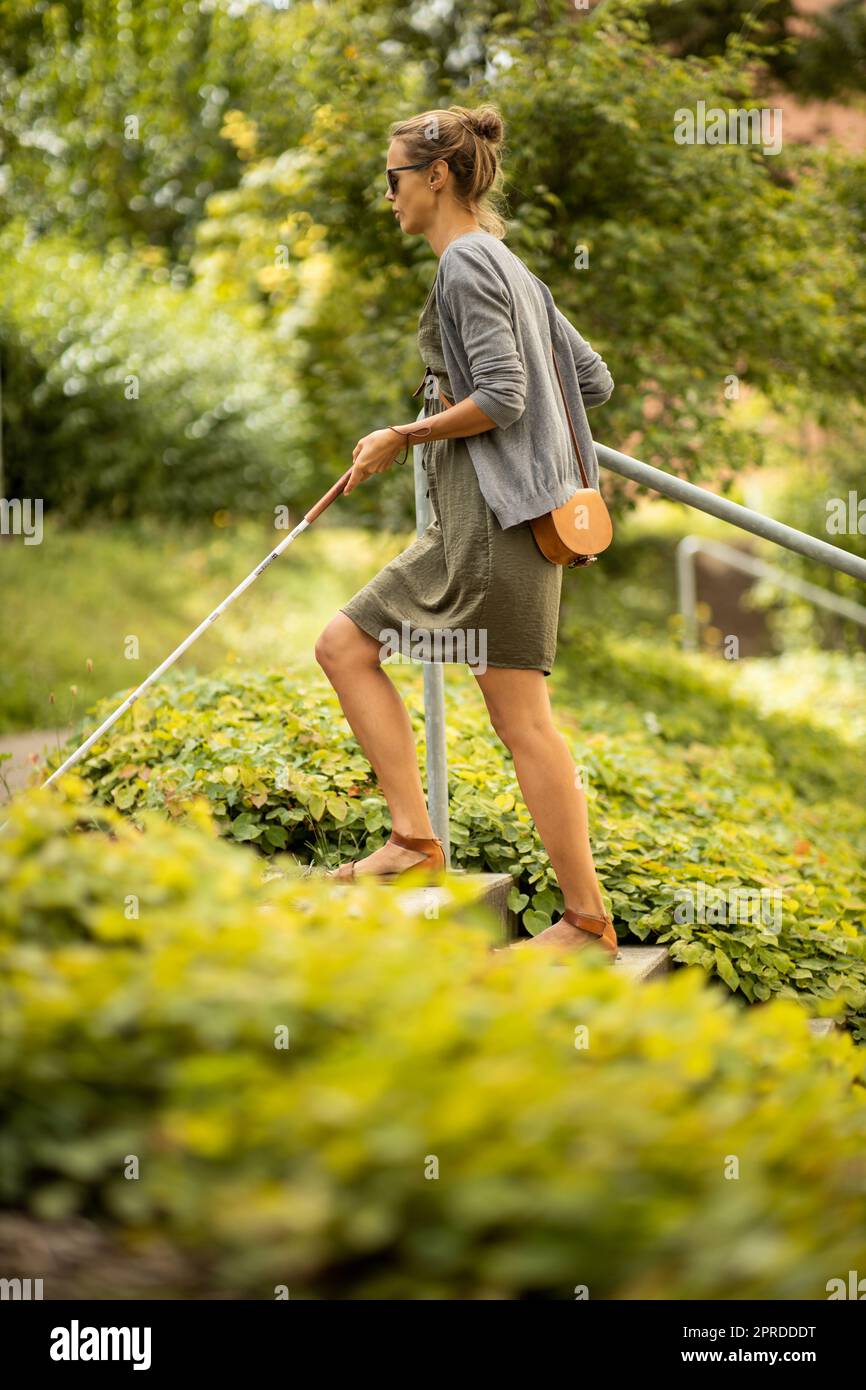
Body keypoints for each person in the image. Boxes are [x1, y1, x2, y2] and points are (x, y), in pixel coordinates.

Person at [314, 104, 618, 959]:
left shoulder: (466, 264)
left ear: (436, 175)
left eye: (394, 179)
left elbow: (510, 396)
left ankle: (587, 922)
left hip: (495, 527)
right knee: (344, 645)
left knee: (523, 723)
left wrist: (403, 434)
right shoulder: (511, 266)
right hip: (479, 526)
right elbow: (586, 379)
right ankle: (412, 841)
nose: (390, 197)